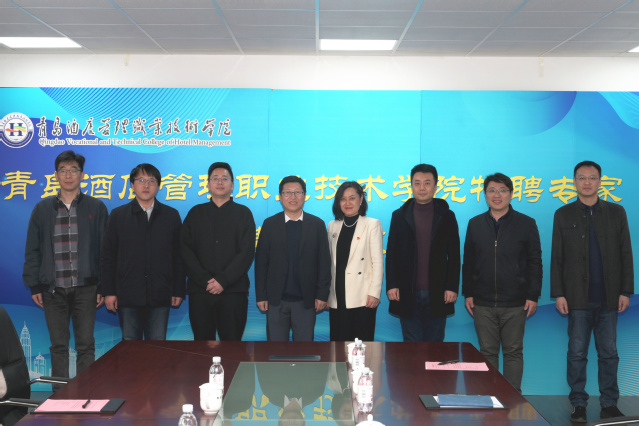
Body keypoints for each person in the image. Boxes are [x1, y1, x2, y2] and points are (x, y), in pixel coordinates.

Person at [551, 160, 633, 423]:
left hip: (609, 298)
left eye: (592, 177)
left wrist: (625, 291)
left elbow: (626, 253)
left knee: (609, 353)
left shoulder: (616, 212)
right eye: (582, 177)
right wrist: (559, 293)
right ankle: (578, 404)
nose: (587, 182)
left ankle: (609, 404)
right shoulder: (563, 214)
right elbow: (557, 257)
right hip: (577, 298)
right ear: (574, 181)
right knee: (577, 354)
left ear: (600, 181)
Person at [22, 150, 108, 384]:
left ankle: (86, 394)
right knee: (58, 346)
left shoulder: (96, 208)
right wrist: (34, 285)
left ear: (82, 175)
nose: (68, 175)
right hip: (53, 289)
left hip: (86, 288)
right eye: (63, 170)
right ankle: (59, 397)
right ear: (56, 175)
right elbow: (32, 249)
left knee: (85, 345)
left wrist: (103, 285)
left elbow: (105, 251)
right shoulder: (42, 209)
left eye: (73, 170)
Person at [462, 173, 542, 392]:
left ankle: (512, 399)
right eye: (492, 190)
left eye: (502, 190)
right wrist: (468, 293)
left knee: (513, 352)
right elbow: (468, 261)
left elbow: (535, 262)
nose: (497, 195)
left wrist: (532, 295)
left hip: (516, 302)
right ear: (485, 194)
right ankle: (490, 397)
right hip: (482, 302)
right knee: (487, 352)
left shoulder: (526, 223)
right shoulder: (475, 224)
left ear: (511, 194)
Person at [100, 163, 185, 340]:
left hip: (160, 294)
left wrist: (178, 290)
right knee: (131, 348)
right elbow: (108, 257)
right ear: (132, 184)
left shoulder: (171, 216)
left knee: (157, 346)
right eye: (141, 180)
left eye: (151, 181)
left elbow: (178, 257)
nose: (146, 185)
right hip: (128, 295)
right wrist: (109, 292)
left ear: (158, 185)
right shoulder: (118, 215)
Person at [181, 162, 255, 341]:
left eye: (224, 179)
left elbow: (246, 252)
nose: (220, 182)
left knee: (232, 346)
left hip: (233, 292)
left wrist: (224, 280)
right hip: (201, 292)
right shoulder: (195, 213)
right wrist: (205, 280)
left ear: (232, 185)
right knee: (202, 346)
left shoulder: (244, 214)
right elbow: (185, 250)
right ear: (208, 184)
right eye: (215, 178)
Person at [385, 163, 460, 342]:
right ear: (411, 185)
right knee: (412, 346)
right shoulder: (399, 216)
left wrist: (451, 287)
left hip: (438, 291)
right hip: (407, 291)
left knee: (435, 345)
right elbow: (392, 254)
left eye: (427, 183)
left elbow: (454, 256)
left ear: (435, 186)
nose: (422, 188)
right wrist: (392, 284)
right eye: (417, 183)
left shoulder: (447, 216)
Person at [255, 175, 331, 341]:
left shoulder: (317, 224)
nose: (293, 197)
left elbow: (324, 263)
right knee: (276, 349)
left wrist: (322, 295)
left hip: (306, 300)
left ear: (304, 195)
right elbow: (261, 263)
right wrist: (261, 295)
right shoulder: (269, 224)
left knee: (304, 349)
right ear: (280, 196)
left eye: (297, 192)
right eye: (287, 193)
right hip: (276, 300)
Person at [327, 181, 383, 341]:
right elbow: (329, 263)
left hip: (363, 297)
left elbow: (377, 262)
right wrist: (327, 294)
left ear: (361, 199)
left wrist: (374, 293)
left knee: (361, 346)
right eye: (343, 199)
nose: (347, 203)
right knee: (338, 345)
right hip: (337, 295)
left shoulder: (372, 224)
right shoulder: (332, 225)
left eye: (352, 198)